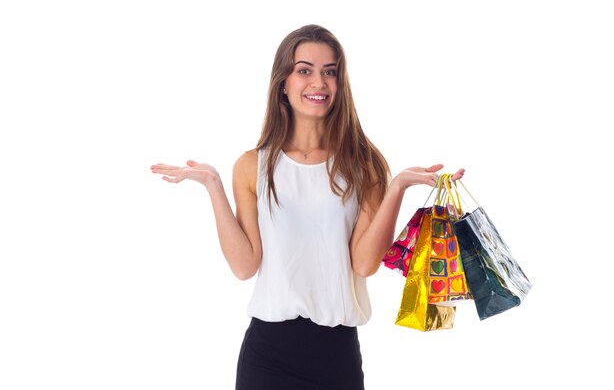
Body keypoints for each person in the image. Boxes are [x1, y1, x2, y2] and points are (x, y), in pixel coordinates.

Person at [150, 24, 464, 390]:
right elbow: (244, 265)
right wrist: (213, 187)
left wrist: (396, 188)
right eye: (305, 70)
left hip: (337, 355)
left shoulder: (365, 166)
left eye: (329, 71)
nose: (319, 82)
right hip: (267, 355)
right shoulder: (253, 166)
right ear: (283, 82)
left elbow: (364, 264)